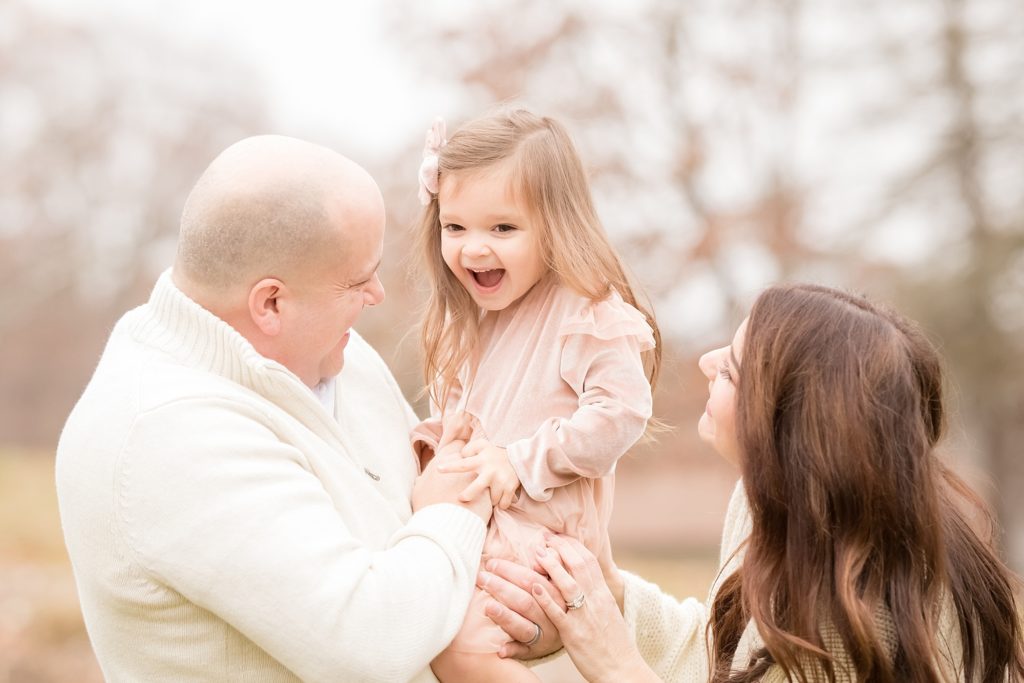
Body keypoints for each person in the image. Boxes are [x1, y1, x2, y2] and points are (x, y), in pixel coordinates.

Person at [55, 135, 494, 682]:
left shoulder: (339, 357)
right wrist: (452, 513)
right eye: (360, 280)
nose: (378, 293)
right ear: (271, 303)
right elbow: (369, 645)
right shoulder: (166, 432)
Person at [483, 283, 1024, 682]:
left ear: (784, 426)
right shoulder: (779, 506)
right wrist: (610, 593)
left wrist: (612, 660)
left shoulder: (851, 608)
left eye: (732, 370)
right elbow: (735, 659)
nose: (705, 361)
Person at [409, 107, 662, 682]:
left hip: (542, 551)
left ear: (555, 225)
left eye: (503, 228)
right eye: (456, 227)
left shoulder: (584, 312)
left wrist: (518, 462)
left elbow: (621, 413)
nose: (474, 249)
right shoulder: (469, 322)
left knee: (455, 643)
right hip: (477, 533)